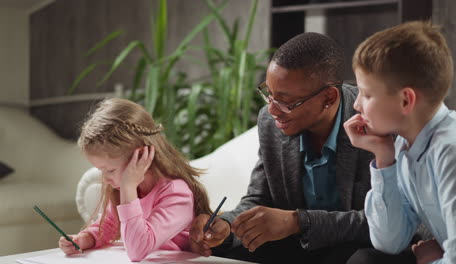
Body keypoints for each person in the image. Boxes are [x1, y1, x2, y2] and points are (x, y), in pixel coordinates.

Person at [189, 32, 378, 264]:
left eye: (286, 101)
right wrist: (226, 225)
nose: (272, 111)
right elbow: (259, 198)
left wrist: (297, 221)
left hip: (357, 246)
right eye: (269, 94)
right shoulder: (270, 123)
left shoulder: (374, 122)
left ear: (329, 98)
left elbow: (383, 222)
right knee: (220, 250)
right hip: (299, 246)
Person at [344, 21, 456, 264]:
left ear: (405, 101)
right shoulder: (403, 145)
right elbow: (389, 242)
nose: (357, 105)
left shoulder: (453, 152)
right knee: (364, 260)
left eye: (366, 94)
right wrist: (384, 159)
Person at [58, 98, 212, 262]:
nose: (104, 178)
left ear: (140, 157)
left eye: (110, 170)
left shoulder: (176, 194)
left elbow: (138, 250)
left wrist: (128, 188)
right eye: (101, 170)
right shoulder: (128, 190)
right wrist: (84, 239)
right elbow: (109, 225)